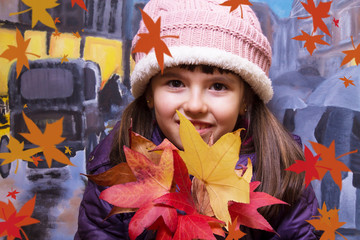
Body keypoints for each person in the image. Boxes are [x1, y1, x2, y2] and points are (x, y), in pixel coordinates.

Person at [75, 0, 321, 239]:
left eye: (217, 86)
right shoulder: (116, 169)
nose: (194, 106)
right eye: (175, 83)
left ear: (246, 99)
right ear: (149, 93)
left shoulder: (282, 174)